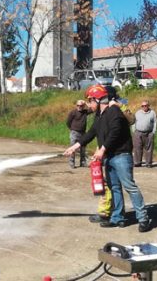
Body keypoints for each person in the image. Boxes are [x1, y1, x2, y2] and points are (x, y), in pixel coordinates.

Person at [64, 85, 151, 232]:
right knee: (114, 187)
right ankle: (118, 218)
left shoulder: (113, 111)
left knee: (130, 187)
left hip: (121, 156)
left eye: (90, 101)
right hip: (110, 157)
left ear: (98, 100)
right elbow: (91, 133)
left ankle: (143, 218)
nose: (89, 104)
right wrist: (74, 147)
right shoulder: (99, 115)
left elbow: (115, 131)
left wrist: (102, 149)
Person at [132, 100, 157, 168]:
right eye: (142, 106)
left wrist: (153, 132)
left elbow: (155, 123)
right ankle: (137, 162)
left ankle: (148, 163)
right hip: (138, 132)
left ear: (148, 106)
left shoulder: (152, 113)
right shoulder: (138, 113)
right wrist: (134, 130)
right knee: (137, 148)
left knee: (148, 149)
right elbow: (134, 121)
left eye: (146, 105)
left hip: (149, 133)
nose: (144, 107)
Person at [66, 100, 89, 168]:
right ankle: (72, 163)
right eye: (78, 105)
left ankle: (83, 162)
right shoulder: (73, 112)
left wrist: (86, 103)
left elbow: (93, 108)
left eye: (81, 106)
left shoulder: (85, 112)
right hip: (74, 132)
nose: (79, 107)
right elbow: (68, 122)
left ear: (83, 106)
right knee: (73, 148)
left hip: (83, 133)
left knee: (83, 148)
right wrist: (72, 129)